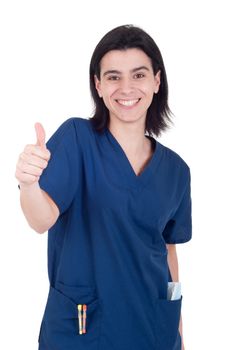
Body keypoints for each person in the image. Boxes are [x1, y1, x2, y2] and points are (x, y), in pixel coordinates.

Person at [15, 24, 192, 350]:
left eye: (138, 75)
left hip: (153, 329)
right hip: (83, 331)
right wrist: (29, 185)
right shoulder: (76, 139)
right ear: (98, 85)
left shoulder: (176, 171)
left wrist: (177, 328)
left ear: (156, 81)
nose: (126, 87)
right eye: (113, 76)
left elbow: (168, 250)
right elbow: (42, 218)